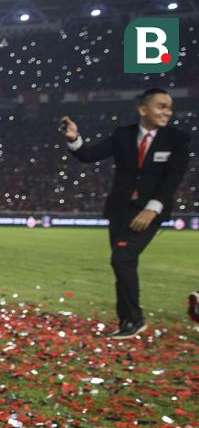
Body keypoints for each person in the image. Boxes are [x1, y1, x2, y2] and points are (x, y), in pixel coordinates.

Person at [61, 88, 192, 339]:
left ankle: (134, 320)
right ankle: (127, 322)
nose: (167, 112)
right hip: (119, 210)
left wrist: (152, 209)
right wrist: (74, 138)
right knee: (122, 264)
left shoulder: (177, 139)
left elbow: (173, 179)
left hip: (150, 211)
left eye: (169, 107)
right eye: (161, 106)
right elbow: (89, 155)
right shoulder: (123, 135)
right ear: (143, 109)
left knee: (122, 260)